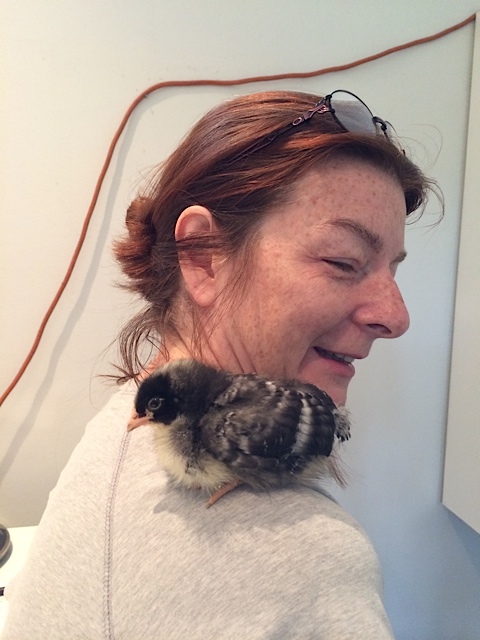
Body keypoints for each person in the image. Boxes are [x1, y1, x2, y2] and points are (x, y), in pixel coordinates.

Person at [3, 89, 436, 639]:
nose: (396, 316)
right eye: (343, 261)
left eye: (392, 269)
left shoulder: (124, 419)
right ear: (204, 256)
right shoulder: (302, 562)